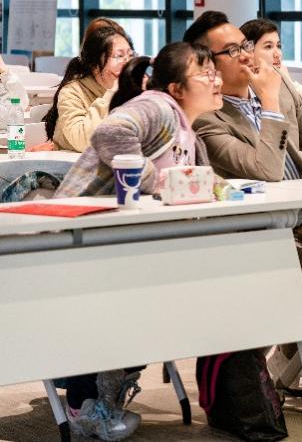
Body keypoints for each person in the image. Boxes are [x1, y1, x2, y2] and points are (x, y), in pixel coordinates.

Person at [54, 41, 221, 441]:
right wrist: (153, 180)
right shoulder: (157, 105)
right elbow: (110, 132)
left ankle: (101, 398)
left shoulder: (189, 132)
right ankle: (83, 403)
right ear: (176, 88)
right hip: (80, 238)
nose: (215, 80)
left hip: (127, 248)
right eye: (205, 73)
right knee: (128, 308)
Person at [183, 11, 302, 270]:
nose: (246, 55)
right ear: (207, 65)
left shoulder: (278, 82)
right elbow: (266, 170)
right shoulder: (206, 118)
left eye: (245, 46)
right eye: (232, 51)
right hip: (264, 224)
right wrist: (269, 101)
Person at [45, 18, 134, 152]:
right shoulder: (72, 92)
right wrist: (112, 93)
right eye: (118, 56)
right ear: (94, 63)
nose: (127, 63)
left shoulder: (131, 90)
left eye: (130, 55)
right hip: (76, 163)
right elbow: (84, 141)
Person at [241, 17, 302, 135]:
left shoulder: (284, 82)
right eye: (268, 46)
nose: (277, 54)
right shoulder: (242, 93)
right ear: (247, 51)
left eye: (278, 46)